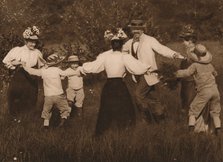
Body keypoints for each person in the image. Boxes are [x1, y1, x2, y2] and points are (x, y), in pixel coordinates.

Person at [80, 28, 150, 136]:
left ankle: (104, 131)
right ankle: (124, 130)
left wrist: (83, 68)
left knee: (106, 108)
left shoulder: (105, 56)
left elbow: (93, 67)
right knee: (124, 107)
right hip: (119, 85)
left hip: (109, 85)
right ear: (121, 46)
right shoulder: (124, 56)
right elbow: (138, 68)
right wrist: (148, 67)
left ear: (112, 45)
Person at [122, 19, 185, 123]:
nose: (136, 32)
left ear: (143, 30)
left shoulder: (149, 40)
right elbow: (122, 54)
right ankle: (161, 117)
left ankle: (146, 118)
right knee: (152, 97)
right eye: (134, 29)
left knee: (138, 95)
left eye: (139, 29)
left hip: (149, 73)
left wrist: (174, 54)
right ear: (131, 30)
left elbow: (161, 49)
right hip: (137, 75)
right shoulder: (128, 43)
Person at [176, 44, 221, 135]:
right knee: (215, 112)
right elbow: (215, 73)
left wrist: (176, 73)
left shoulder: (195, 65)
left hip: (204, 91)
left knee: (193, 110)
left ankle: (191, 133)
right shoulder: (210, 65)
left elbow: (187, 73)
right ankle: (219, 131)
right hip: (215, 90)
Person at [22, 54, 77, 128]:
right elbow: (66, 73)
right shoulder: (57, 70)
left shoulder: (43, 71)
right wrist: (77, 71)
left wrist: (25, 67)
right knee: (64, 109)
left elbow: (33, 71)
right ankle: (63, 121)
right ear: (57, 64)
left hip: (48, 96)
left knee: (47, 111)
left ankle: (46, 125)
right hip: (59, 95)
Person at [2, 26, 45, 121]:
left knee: (31, 96)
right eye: (31, 42)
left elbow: (42, 66)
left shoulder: (37, 52)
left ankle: (27, 118)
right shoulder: (18, 50)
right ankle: (15, 117)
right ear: (26, 41)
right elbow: (6, 61)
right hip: (19, 76)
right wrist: (17, 63)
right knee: (16, 95)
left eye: (35, 42)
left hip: (32, 77)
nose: (33, 44)